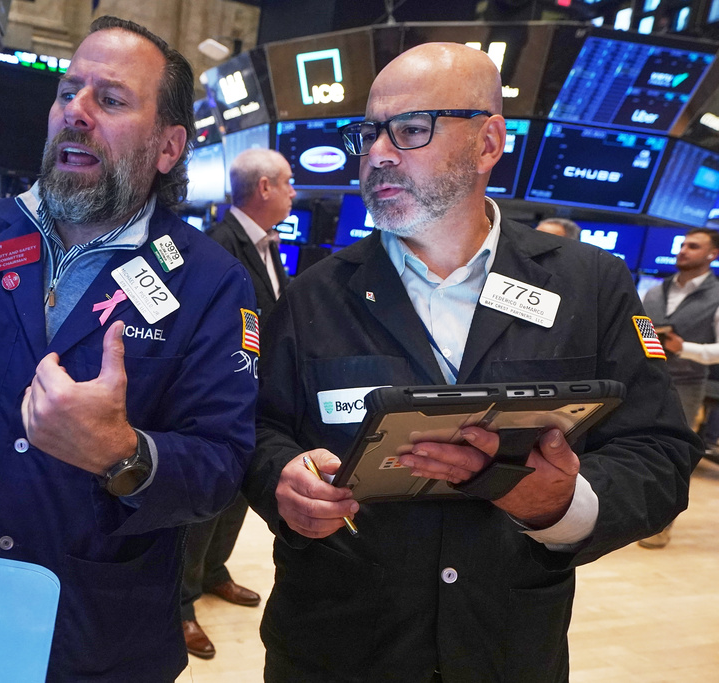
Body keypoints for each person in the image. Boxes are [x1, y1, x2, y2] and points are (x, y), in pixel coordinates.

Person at [242, 42, 699, 682]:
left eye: (411, 129)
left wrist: (562, 504)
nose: (378, 153)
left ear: (489, 142)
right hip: (336, 644)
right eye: (368, 134)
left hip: (507, 646)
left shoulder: (591, 285)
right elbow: (259, 429)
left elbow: (658, 450)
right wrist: (282, 481)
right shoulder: (314, 293)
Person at [0, 16, 258, 681]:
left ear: (168, 146)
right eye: (67, 92)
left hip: (99, 633)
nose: (75, 112)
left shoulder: (210, 281)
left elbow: (221, 465)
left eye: (109, 99)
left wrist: (122, 452)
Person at [178, 148, 295, 659]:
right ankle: (181, 604)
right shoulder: (217, 244)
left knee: (238, 497)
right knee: (205, 505)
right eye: (288, 183)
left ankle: (213, 572)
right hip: (218, 400)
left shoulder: (268, 244)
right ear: (264, 187)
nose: (294, 193)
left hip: (256, 397)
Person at [639, 227, 719, 548]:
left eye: (693, 246)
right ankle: (633, 516)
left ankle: (662, 523)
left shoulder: (716, 295)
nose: (683, 250)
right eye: (683, 245)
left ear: (712, 254)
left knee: (674, 454)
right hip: (645, 378)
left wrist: (684, 347)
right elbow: (640, 329)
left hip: (687, 384)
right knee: (635, 446)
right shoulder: (655, 291)